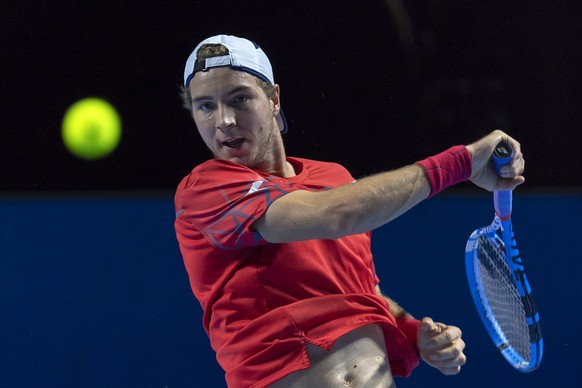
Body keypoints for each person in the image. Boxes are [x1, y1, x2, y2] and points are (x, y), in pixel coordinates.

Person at [174, 35, 525, 387]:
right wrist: (460, 163)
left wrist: (412, 331)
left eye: (240, 99)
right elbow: (337, 216)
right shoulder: (206, 189)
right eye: (206, 106)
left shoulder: (335, 178)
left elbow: (361, 288)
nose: (225, 120)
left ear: (274, 99)